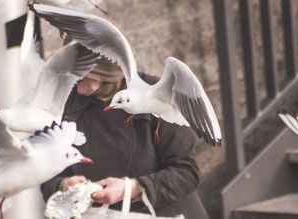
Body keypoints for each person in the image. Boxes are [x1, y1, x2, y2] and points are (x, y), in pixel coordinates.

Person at [40, 56, 210, 219]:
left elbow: (186, 173)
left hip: (163, 213)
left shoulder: (157, 96)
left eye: (79, 68)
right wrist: (64, 186)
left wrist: (133, 188)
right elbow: (44, 171)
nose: (70, 75)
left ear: (103, 71)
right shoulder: (61, 102)